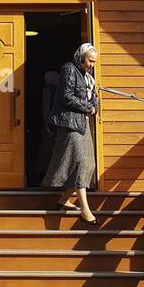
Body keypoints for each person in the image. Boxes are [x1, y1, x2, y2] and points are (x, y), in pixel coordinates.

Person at [43, 43, 98, 223]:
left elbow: (93, 96)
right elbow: (66, 95)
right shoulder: (69, 69)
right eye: (90, 61)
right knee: (80, 161)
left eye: (94, 62)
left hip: (82, 123)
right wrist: (87, 108)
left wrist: (94, 106)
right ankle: (85, 209)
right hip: (69, 123)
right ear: (81, 56)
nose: (92, 65)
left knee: (88, 163)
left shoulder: (87, 76)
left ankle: (64, 199)